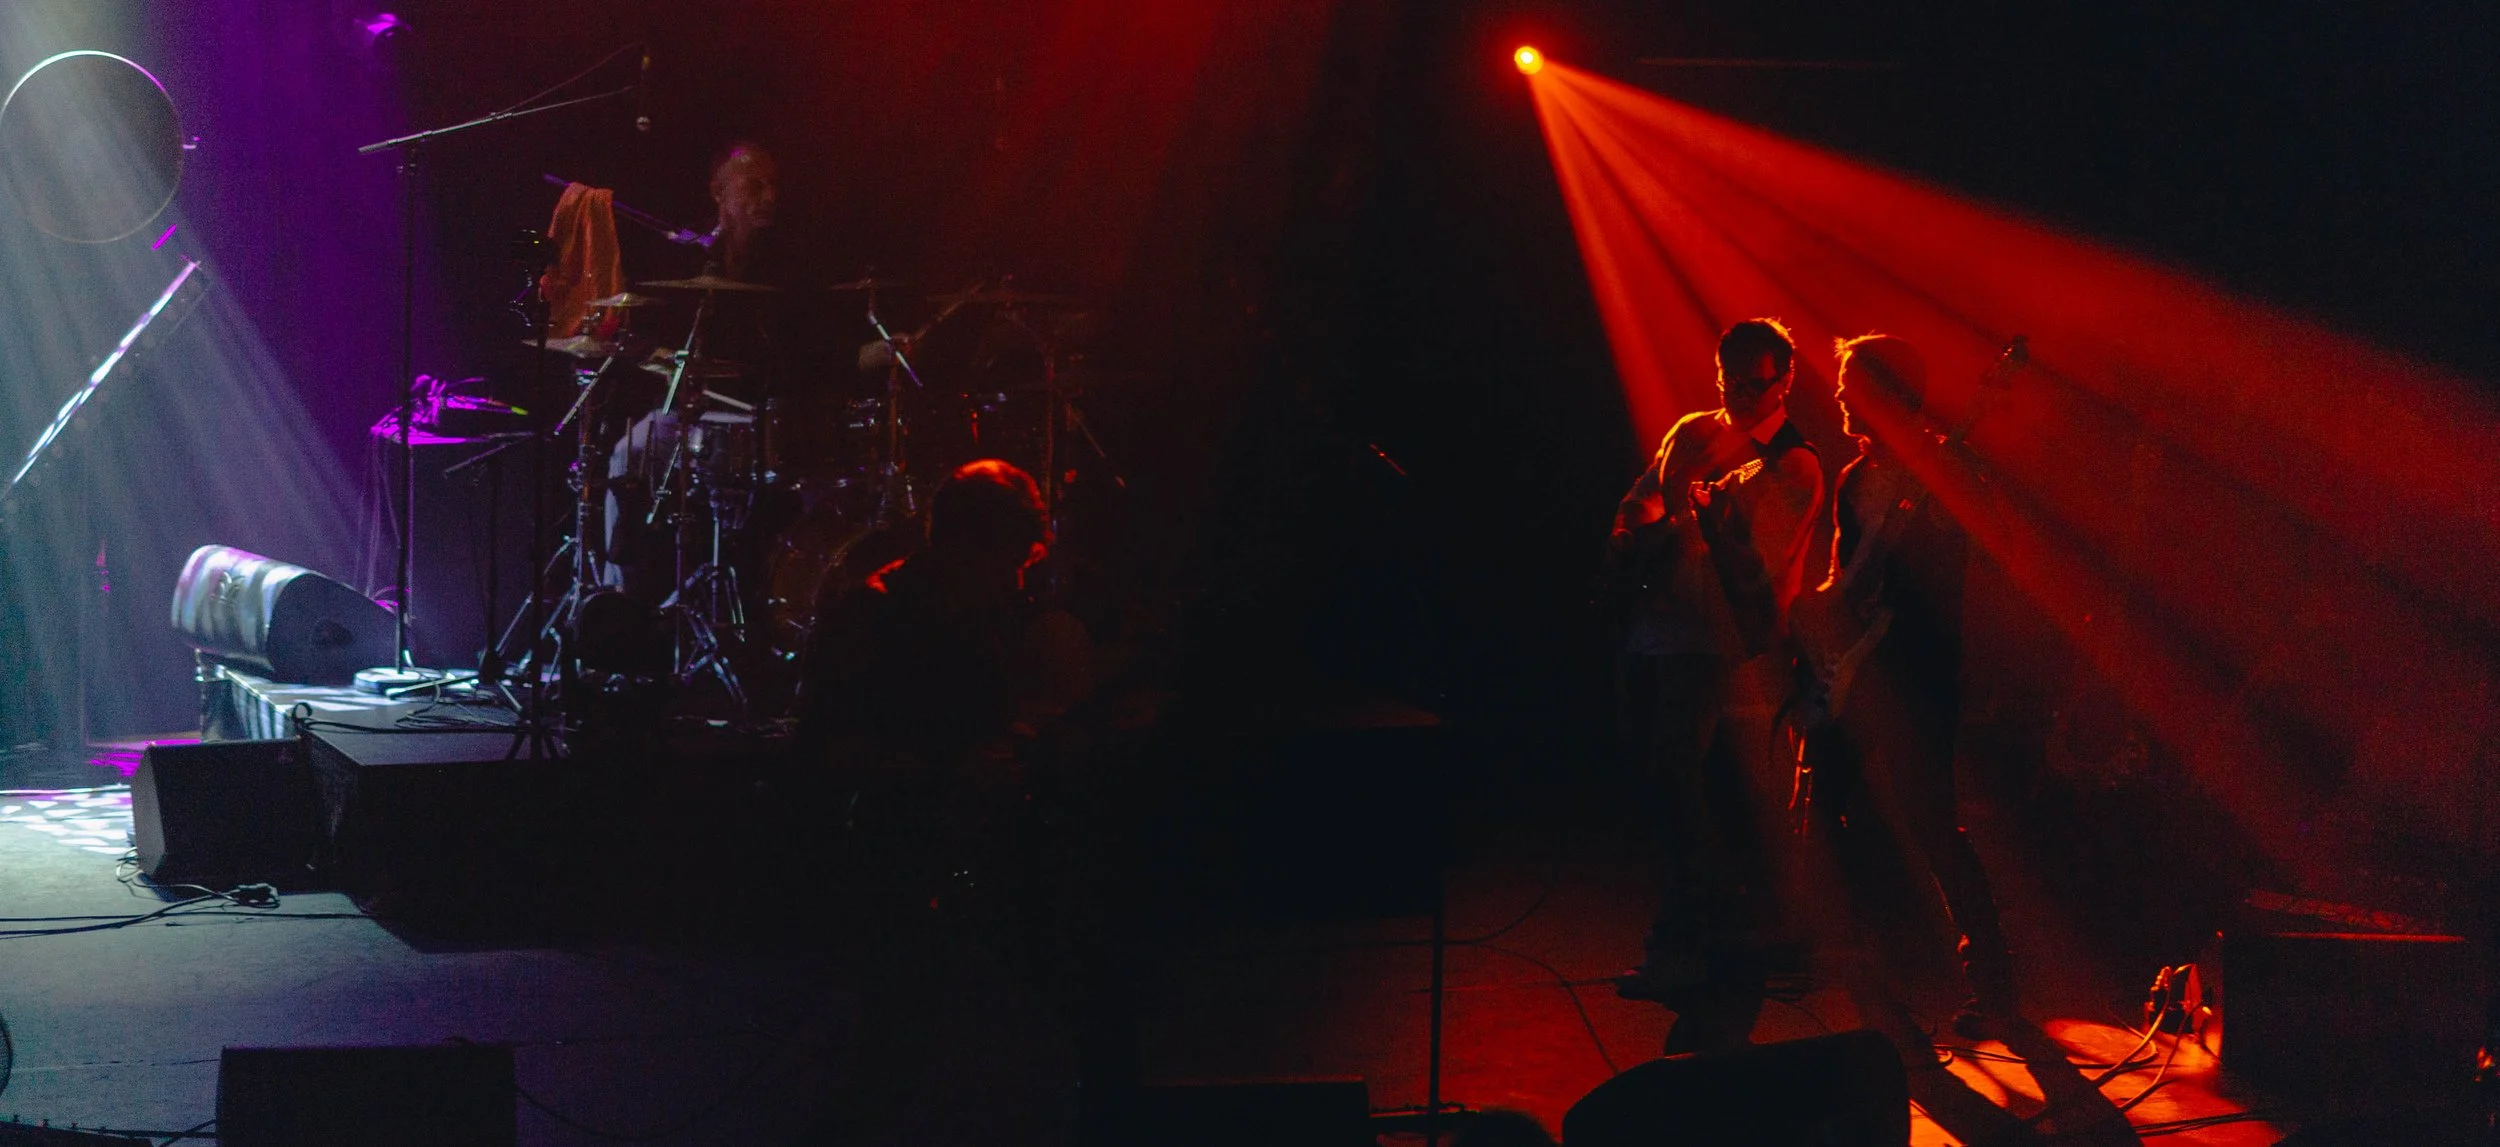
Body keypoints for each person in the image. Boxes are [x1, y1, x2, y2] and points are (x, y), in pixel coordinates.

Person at [792, 458, 1092, 1138]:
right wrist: (949, 768)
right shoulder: (872, 616)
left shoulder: (975, 614)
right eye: (1011, 561)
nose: (1018, 580)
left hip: (964, 850)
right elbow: (827, 752)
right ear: (965, 546)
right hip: (895, 854)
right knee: (894, 1053)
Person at [1607, 318, 1824, 1053]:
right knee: (1657, 780)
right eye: (1730, 377)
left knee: (1677, 776)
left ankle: (1709, 926)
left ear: (1787, 380)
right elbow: (1644, 496)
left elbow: (1755, 572)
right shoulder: (1693, 431)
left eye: (1756, 382)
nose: (1739, 394)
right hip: (1657, 627)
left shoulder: (1794, 465)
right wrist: (1631, 532)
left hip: (1722, 644)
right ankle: (1686, 930)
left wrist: (1700, 524)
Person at [1794, 333, 2017, 1043]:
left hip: (1916, 676)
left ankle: (1993, 983)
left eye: (1850, 383)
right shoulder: (1856, 480)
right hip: (1856, 667)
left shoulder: (1951, 467)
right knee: (1820, 811)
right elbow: (1846, 578)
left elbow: (1986, 550)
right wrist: (1820, 607)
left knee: (1930, 823)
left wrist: (1941, 493)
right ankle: (1857, 975)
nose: (1837, 397)